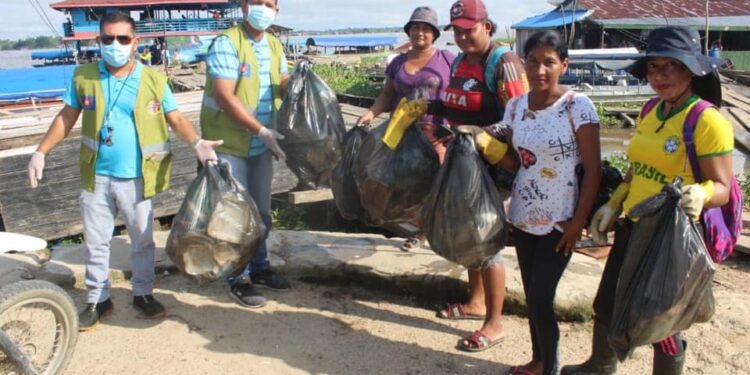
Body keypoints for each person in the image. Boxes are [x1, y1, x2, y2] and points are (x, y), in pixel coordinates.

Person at [26, 12, 222, 331]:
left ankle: (142, 293)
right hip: (97, 175)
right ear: (98, 40)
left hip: (139, 175)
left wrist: (198, 143)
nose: (114, 44)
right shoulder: (84, 76)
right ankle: (97, 299)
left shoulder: (154, 79)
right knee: (96, 241)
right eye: (107, 38)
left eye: (122, 38)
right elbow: (66, 116)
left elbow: (175, 118)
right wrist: (40, 151)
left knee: (142, 241)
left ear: (135, 42)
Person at [562, 26, 733, 375]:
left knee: (660, 319)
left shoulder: (706, 120)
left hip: (671, 237)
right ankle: (599, 366)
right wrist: (615, 203)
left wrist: (700, 194)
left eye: (673, 65)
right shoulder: (650, 109)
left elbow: (723, 187)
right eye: (654, 67)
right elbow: (636, 170)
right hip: (634, 224)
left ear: (692, 70)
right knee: (608, 303)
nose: (661, 75)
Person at [496, 30, 602, 375]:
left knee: (542, 297)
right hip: (524, 214)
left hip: (561, 219)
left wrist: (578, 221)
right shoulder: (515, 106)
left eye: (549, 62)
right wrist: (487, 147)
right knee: (531, 295)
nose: (539, 69)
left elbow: (594, 170)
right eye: (532, 61)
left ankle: (550, 367)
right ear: (523, 62)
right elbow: (516, 162)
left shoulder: (577, 106)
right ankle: (538, 360)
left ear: (564, 65)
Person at [430, 0, 528, 352]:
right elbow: (455, 105)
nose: (461, 37)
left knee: (488, 242)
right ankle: (476, 301)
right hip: (465, 161)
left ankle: (495, 323)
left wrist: (482, 132)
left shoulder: (503, 64)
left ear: (488, 27)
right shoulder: (460, 60)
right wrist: (430, 107)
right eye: (456, 31)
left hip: (496, 164)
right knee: (470, 233)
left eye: (468, 30)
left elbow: (521, 117)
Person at [200, 0, 290, 309]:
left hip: (263, 145)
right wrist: (260, 130)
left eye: (269, 3)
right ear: (243, 5)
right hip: (230, 143)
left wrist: (302, 85)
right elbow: (225, 96)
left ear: (276, 10)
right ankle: (237, 277)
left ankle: (260, 267)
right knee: (234, 215)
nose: (262, 8)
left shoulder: (276, 45)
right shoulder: (227, 43)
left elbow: (282, 83)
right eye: (256, 2)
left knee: (261, 212)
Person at [356, 6, 455, 251]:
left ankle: (430, 234)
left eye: (426, 28)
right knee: (402, 184)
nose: (420, 32)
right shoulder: (398, 63)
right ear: (408, 31)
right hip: (402, 135)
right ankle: (418, 229)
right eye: (415, 27)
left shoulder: (448, 60)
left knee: (436, 186)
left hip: (437, 136)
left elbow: (459, 94)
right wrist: (371, 113)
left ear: (434, 34)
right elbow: (387, 95)